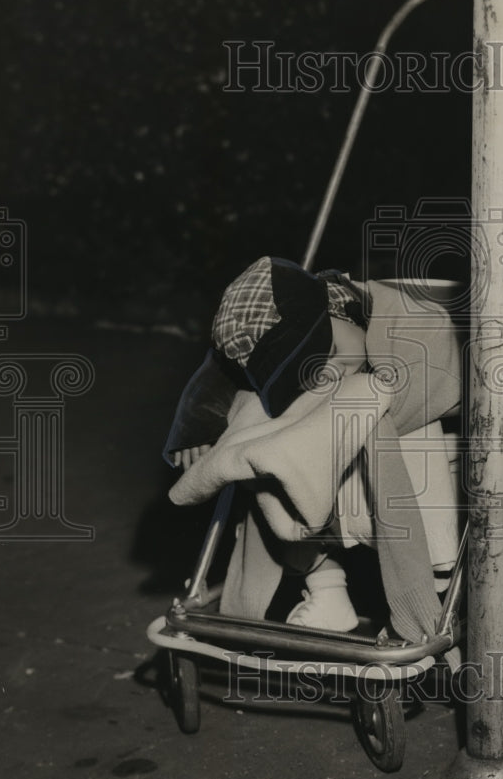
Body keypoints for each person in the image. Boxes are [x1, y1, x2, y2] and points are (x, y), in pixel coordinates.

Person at [166, 255, 463, 640]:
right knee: (254, 423)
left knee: (367, 413)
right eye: (308, 374)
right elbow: (217, 373)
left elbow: (440, 354)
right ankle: (324, 582)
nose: (332, 372)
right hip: (331, 469)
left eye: (334, 351)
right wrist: (196, 428)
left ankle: (436, 571)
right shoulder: (332, 327)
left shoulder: (384, 312)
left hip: (429, 424)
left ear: (341, 311)